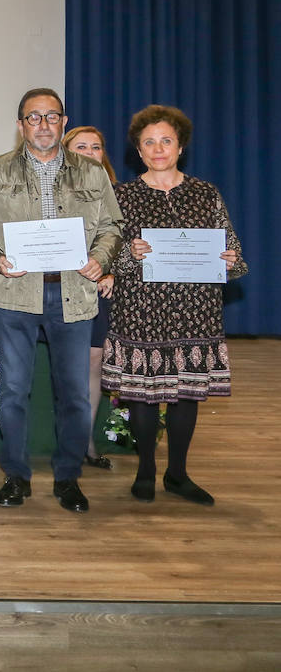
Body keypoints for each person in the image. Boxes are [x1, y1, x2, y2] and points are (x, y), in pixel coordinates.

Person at [0, 90, 123, 513]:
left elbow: (113, 225)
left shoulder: (92, 172)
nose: (42, 125)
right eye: (33, 117)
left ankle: (68, 478)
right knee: (13, 391)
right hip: (14, 294)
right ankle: (16, 476)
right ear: (20, 124)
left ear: (63, 120)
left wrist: (100, 258)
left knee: (75, 394)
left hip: (74, 293)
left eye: (51, 116)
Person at [102, 105, 246, 506]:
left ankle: (178, 474)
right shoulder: (121, 196)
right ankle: (145, 470)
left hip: (195, 309)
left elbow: (232, 249)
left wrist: (229, 260)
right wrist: (131, 254)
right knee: (144, 395)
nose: (158, 148)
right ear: (138, 150)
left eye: (166, 140)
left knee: (185, 395)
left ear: (180, 146)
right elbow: (104, 259)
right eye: (149, 142)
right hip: (140, 311)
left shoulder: (205, 193)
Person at [63, 124, 118, 469]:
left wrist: (111, 270)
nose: (88, 152)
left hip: (98, 288)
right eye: (80, 146)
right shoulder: (46, 192)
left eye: (95, 147)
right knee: (64, 366)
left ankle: (85, 442)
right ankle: (67, 441)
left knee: (93, 364)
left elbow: (124, 241)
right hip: (53, 290)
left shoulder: (116, 193)